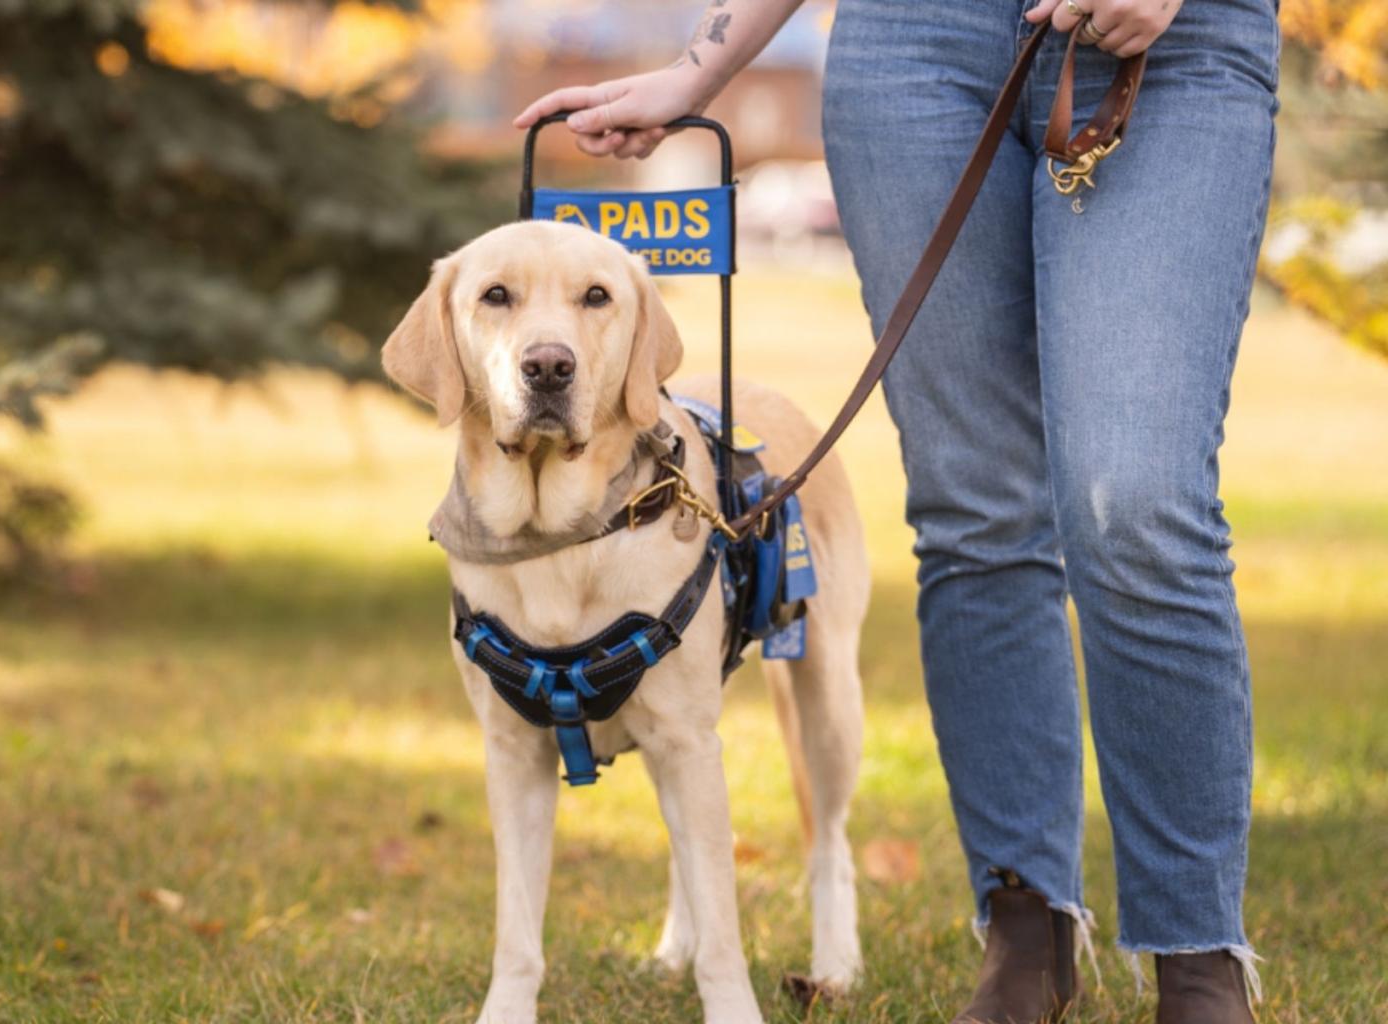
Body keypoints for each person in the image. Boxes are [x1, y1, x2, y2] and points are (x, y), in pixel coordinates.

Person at [516, 0, 1279, 1021]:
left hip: (1170, 45)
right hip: (914, 45)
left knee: (1135, 502)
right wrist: (698, 69)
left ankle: (1196, 953)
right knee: (975, 507)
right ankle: (1025, 923)